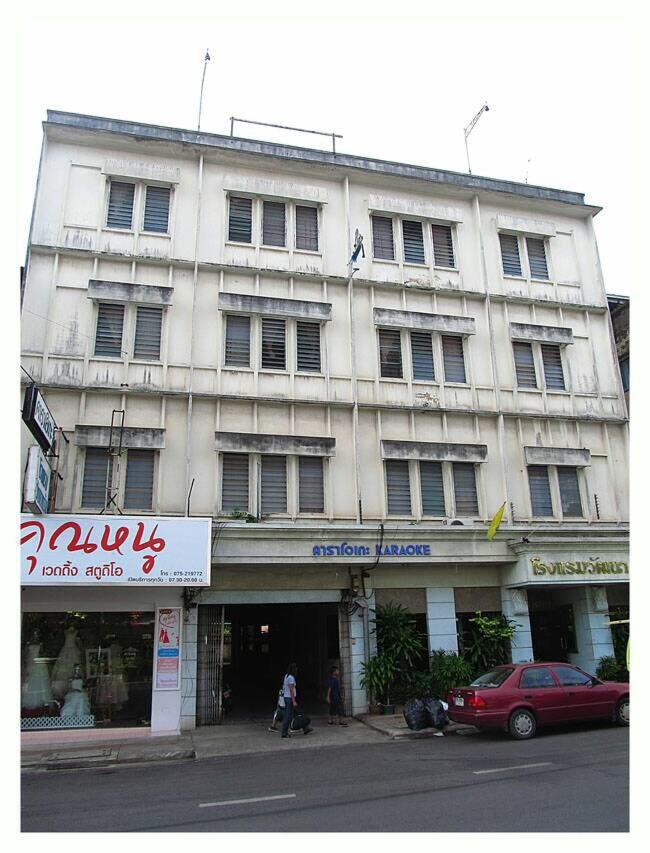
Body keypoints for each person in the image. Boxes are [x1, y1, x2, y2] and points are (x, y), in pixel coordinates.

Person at [281, 662, 298, 738]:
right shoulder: (291, 677)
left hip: (286, 697)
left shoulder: (286, 676)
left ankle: (285, 731)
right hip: (289, 698)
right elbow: (291, 690)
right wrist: (294, 701)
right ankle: (284, 732)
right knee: (288, 716)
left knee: (289, 715)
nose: (297, 669)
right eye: (296, 668)